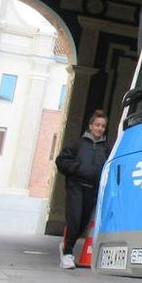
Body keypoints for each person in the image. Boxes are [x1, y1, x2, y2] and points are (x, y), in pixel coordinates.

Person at [55, 109, 109, 269]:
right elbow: (61, 160)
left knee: (83, 223)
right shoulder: (77, 144)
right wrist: (76, 168)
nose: (100, 129)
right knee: (75, 219)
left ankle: (66, 246)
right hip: (75, 187)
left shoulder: (105, 149)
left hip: (92, 190)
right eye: (97, 125)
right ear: (91, 126)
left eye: (103, 126)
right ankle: (67, 253)